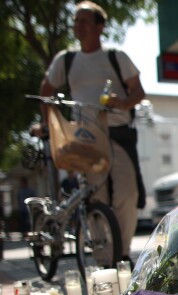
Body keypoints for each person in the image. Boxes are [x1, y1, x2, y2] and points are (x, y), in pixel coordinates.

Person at [38, 1, 145, 263]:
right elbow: (46, 90)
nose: (78, 26)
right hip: (86, 138)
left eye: (84, 20)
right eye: (76, 21)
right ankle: (102, 258)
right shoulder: (66, 59)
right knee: (95, 197)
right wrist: (51, 124)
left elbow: (138, 92)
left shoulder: (115, 57)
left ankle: (121, 254)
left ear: (99, 27)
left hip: (118, 133)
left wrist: (123, 103)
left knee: (127, 194)